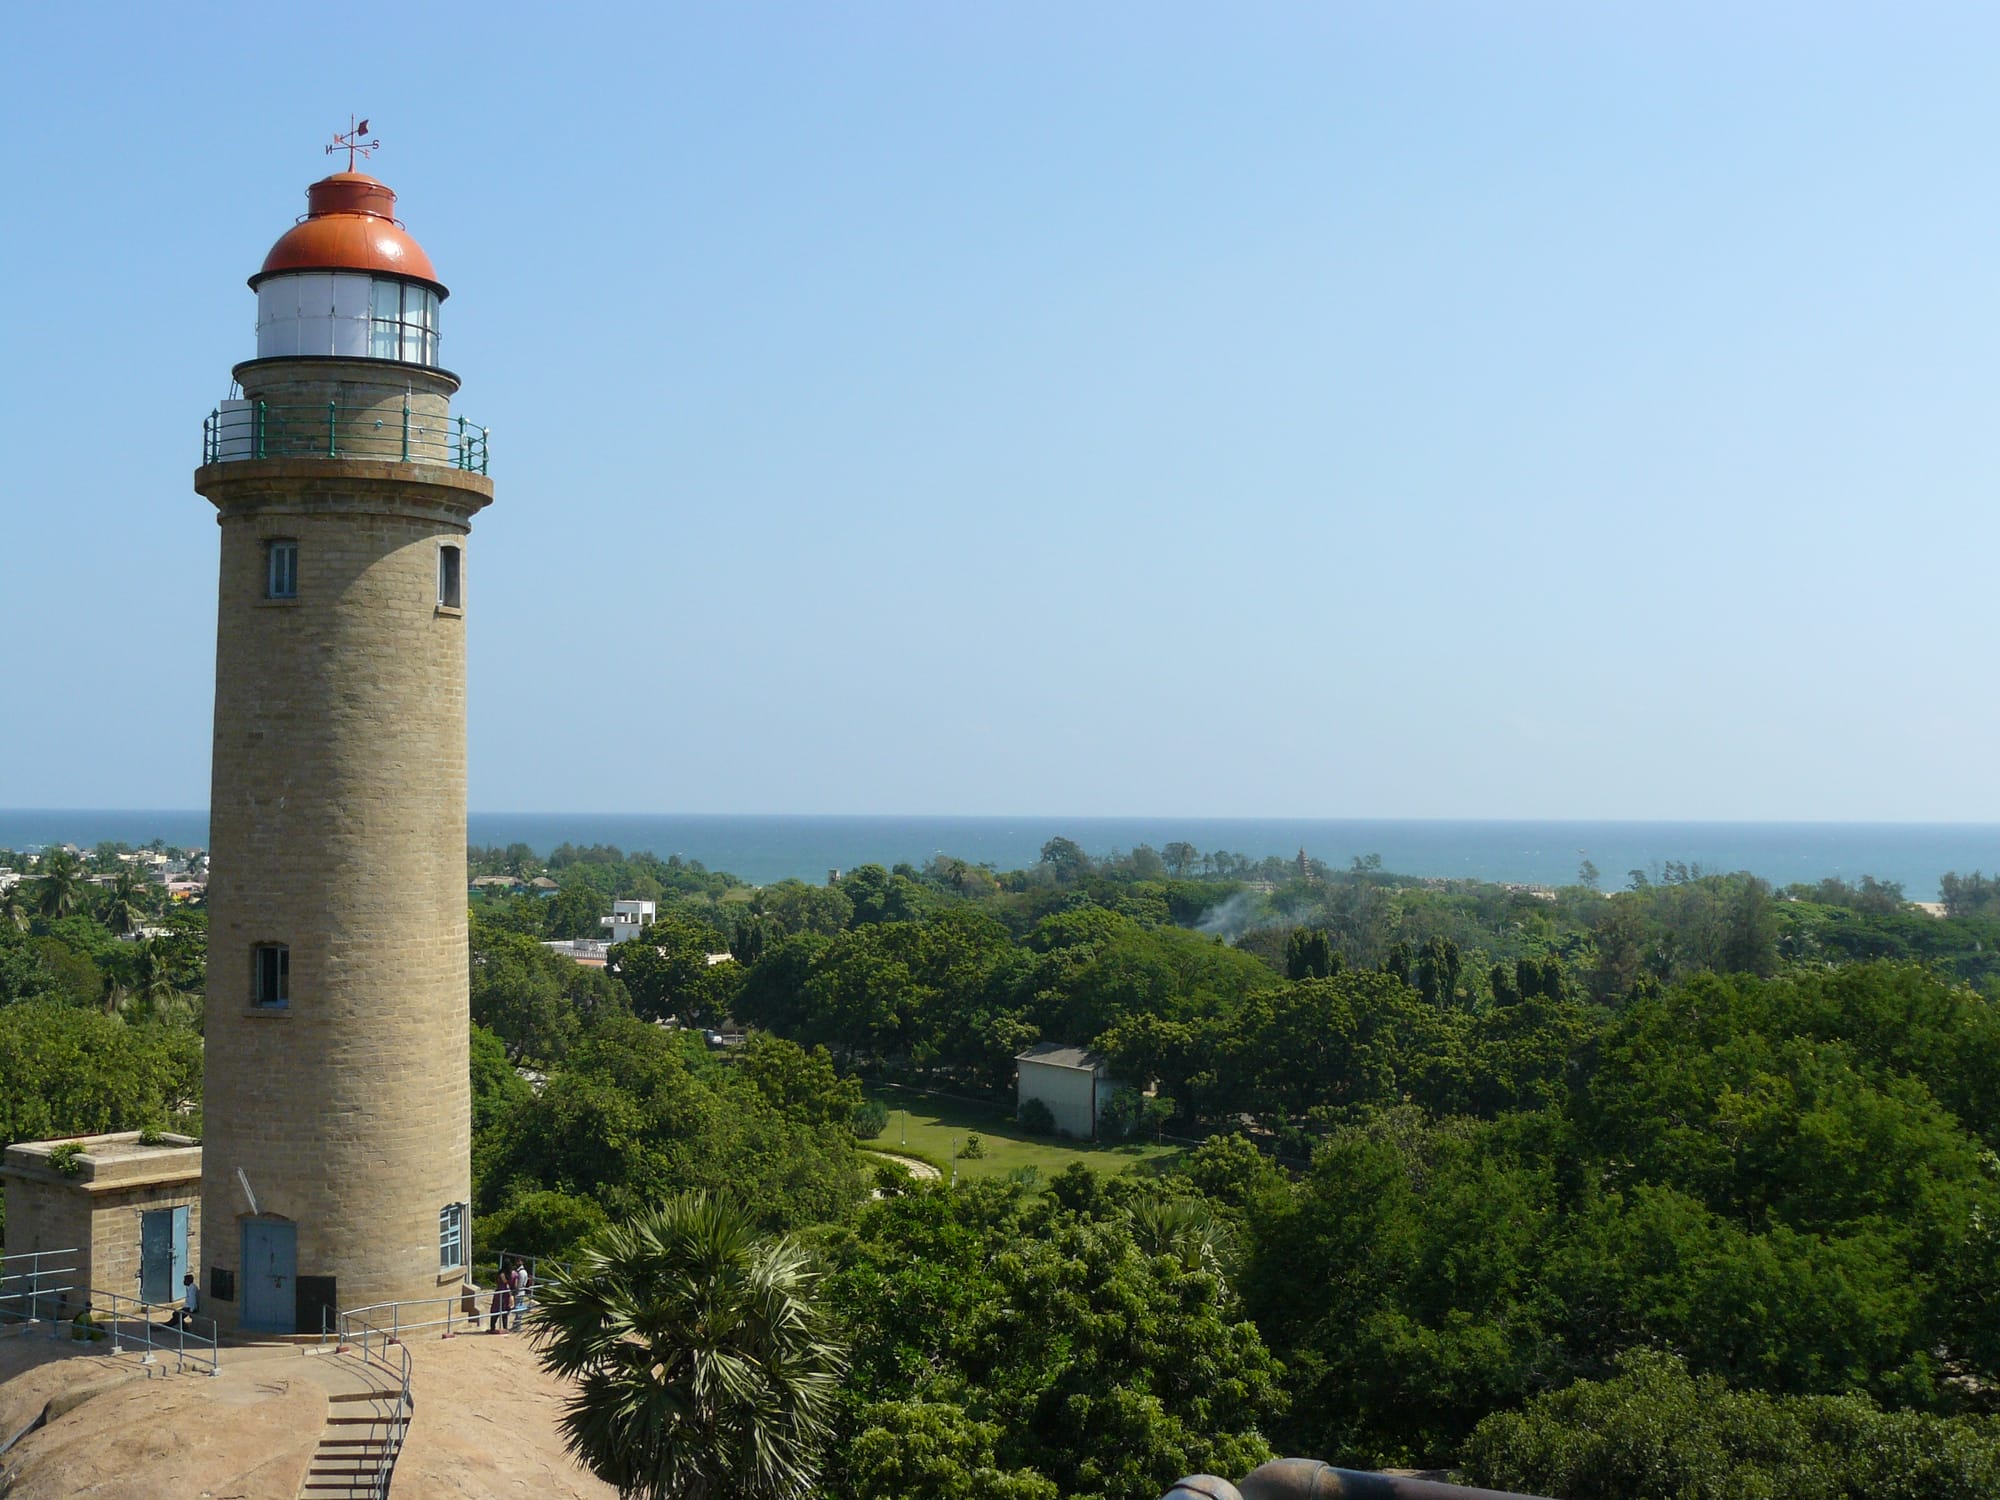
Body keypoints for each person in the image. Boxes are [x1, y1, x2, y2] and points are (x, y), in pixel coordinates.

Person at [487, 1266, 513, 1333]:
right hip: (501, 1294)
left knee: (503, 1311)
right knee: (496, 1310)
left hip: (503, 1294)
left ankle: (504, 1327)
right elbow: (505, 1281)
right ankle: (493, 1327)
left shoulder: (505, 1275)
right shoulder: (502, 1274)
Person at [509, 1259, 531, 1332]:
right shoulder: (523, 1271)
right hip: (521, 1292)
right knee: (519, 1308)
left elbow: (520, 1284)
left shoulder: (521, 1272)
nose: (517, 1263)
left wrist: (515, 1291)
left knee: (518, 1308)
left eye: (518, 1261)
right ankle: (517, 1324)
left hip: (519, 1292)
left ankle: (517, 1325)